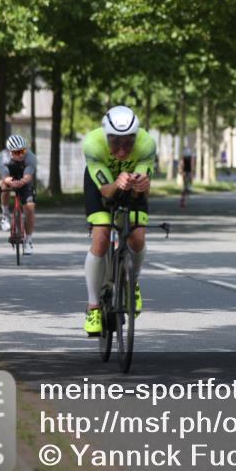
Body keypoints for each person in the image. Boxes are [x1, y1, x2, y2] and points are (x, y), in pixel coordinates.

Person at [81, 106, 157, 336]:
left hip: (131, 186)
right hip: (101, 186)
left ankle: (131, 282)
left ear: (136, 138)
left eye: (128, 143)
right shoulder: (92, 144)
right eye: (115, 143)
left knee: (137, 236)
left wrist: (140, 186)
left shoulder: (147, 144)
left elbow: (142, 191)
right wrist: (117, 183)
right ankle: (93, 306)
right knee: (102, 236)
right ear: (106, 137)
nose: (122, 150)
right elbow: (105, 191)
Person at [0, 134, 38, 255]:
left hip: (24, 180)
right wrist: (9, 181)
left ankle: (28, 240)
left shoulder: (30, 157)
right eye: (17, 152)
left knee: (30, 208)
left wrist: (23, 182)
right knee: (3, 186)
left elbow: (28, 175)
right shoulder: (2, 157)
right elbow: (5, 175)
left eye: (23, 151)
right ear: (10, 152)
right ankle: (5, 215)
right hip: (9, 177)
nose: (21, 154)